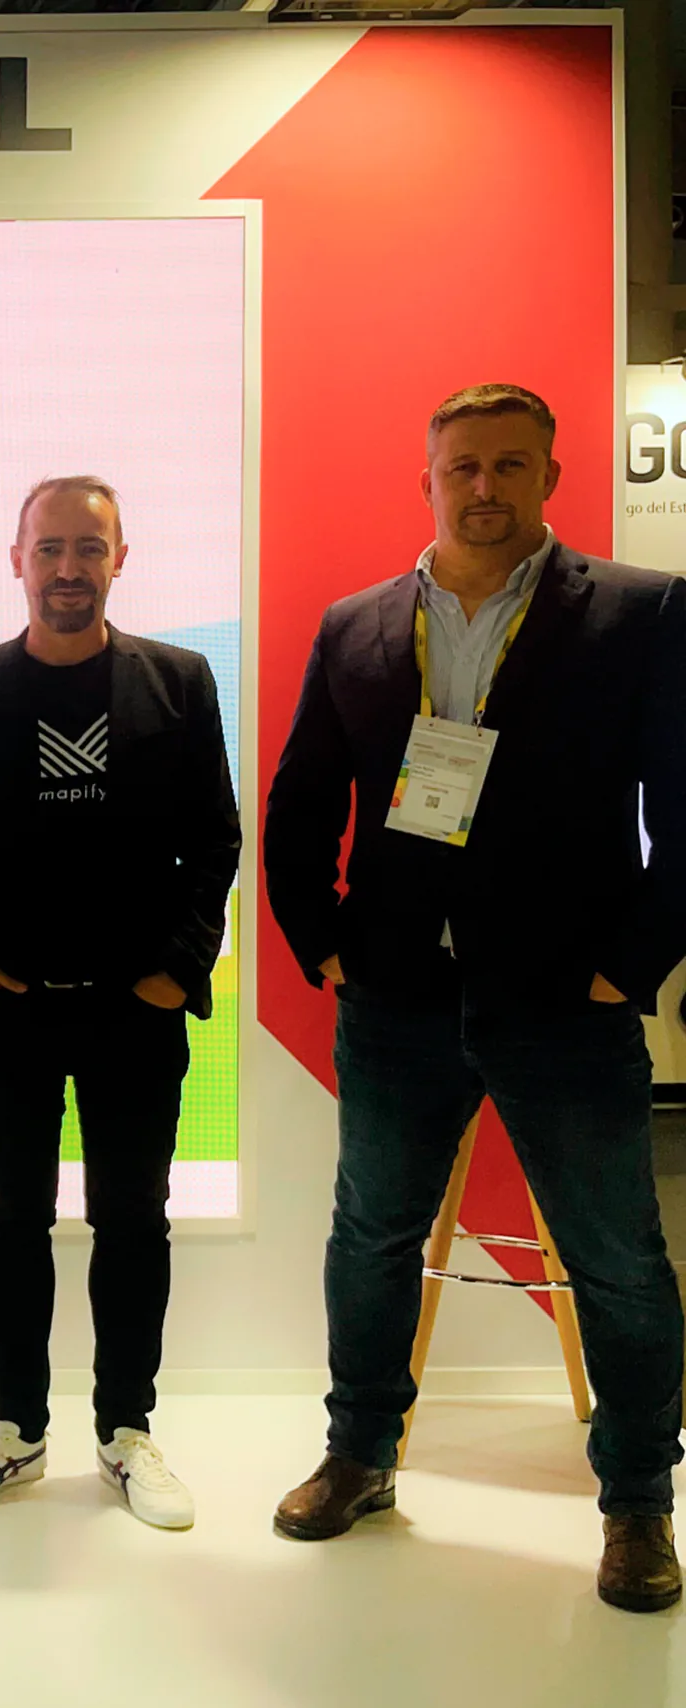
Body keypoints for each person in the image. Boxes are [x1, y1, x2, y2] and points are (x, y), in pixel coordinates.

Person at [266, 383, 686, 1613]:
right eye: (464, 466)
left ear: (550, 475)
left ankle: (638, 1503)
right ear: (429, 479)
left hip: (566, 1000)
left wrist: (629, 966)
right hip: (396, 997)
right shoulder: (356, 626)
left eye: (511, 464)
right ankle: (360, 1456)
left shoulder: (641, 612)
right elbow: (302, 800)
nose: (486, 487)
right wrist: (321, 943)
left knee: (619, 1262)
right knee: (370, 1241)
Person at [0, 476, 239, 1528]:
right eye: (48, 548)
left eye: (89, 549)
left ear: (119, 560)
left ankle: (126, 1430)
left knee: (133, 1219)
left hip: (136, 1011)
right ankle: (16, 1426)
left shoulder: (178, 683)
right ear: (18, 560)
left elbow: (216, 840)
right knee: (13, 1218)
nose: (67, 568)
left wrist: (182, 967)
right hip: (10, 1012)